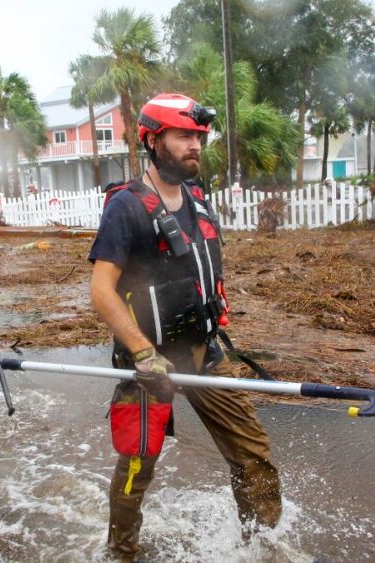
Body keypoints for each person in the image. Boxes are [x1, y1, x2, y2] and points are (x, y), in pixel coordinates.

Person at [88, 93, 283, 556]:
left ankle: (261, 547)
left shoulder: (198, 198)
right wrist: (140, 350)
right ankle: (122, 551)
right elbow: (101, 290)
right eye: (183, 136)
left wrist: (215, 306)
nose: (195, 145)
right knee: (139, 464)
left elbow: (199, 266)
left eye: (198, 136)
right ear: (152, 141)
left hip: (204, 351)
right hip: (148, 361)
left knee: (253, 455)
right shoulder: (127, 207)